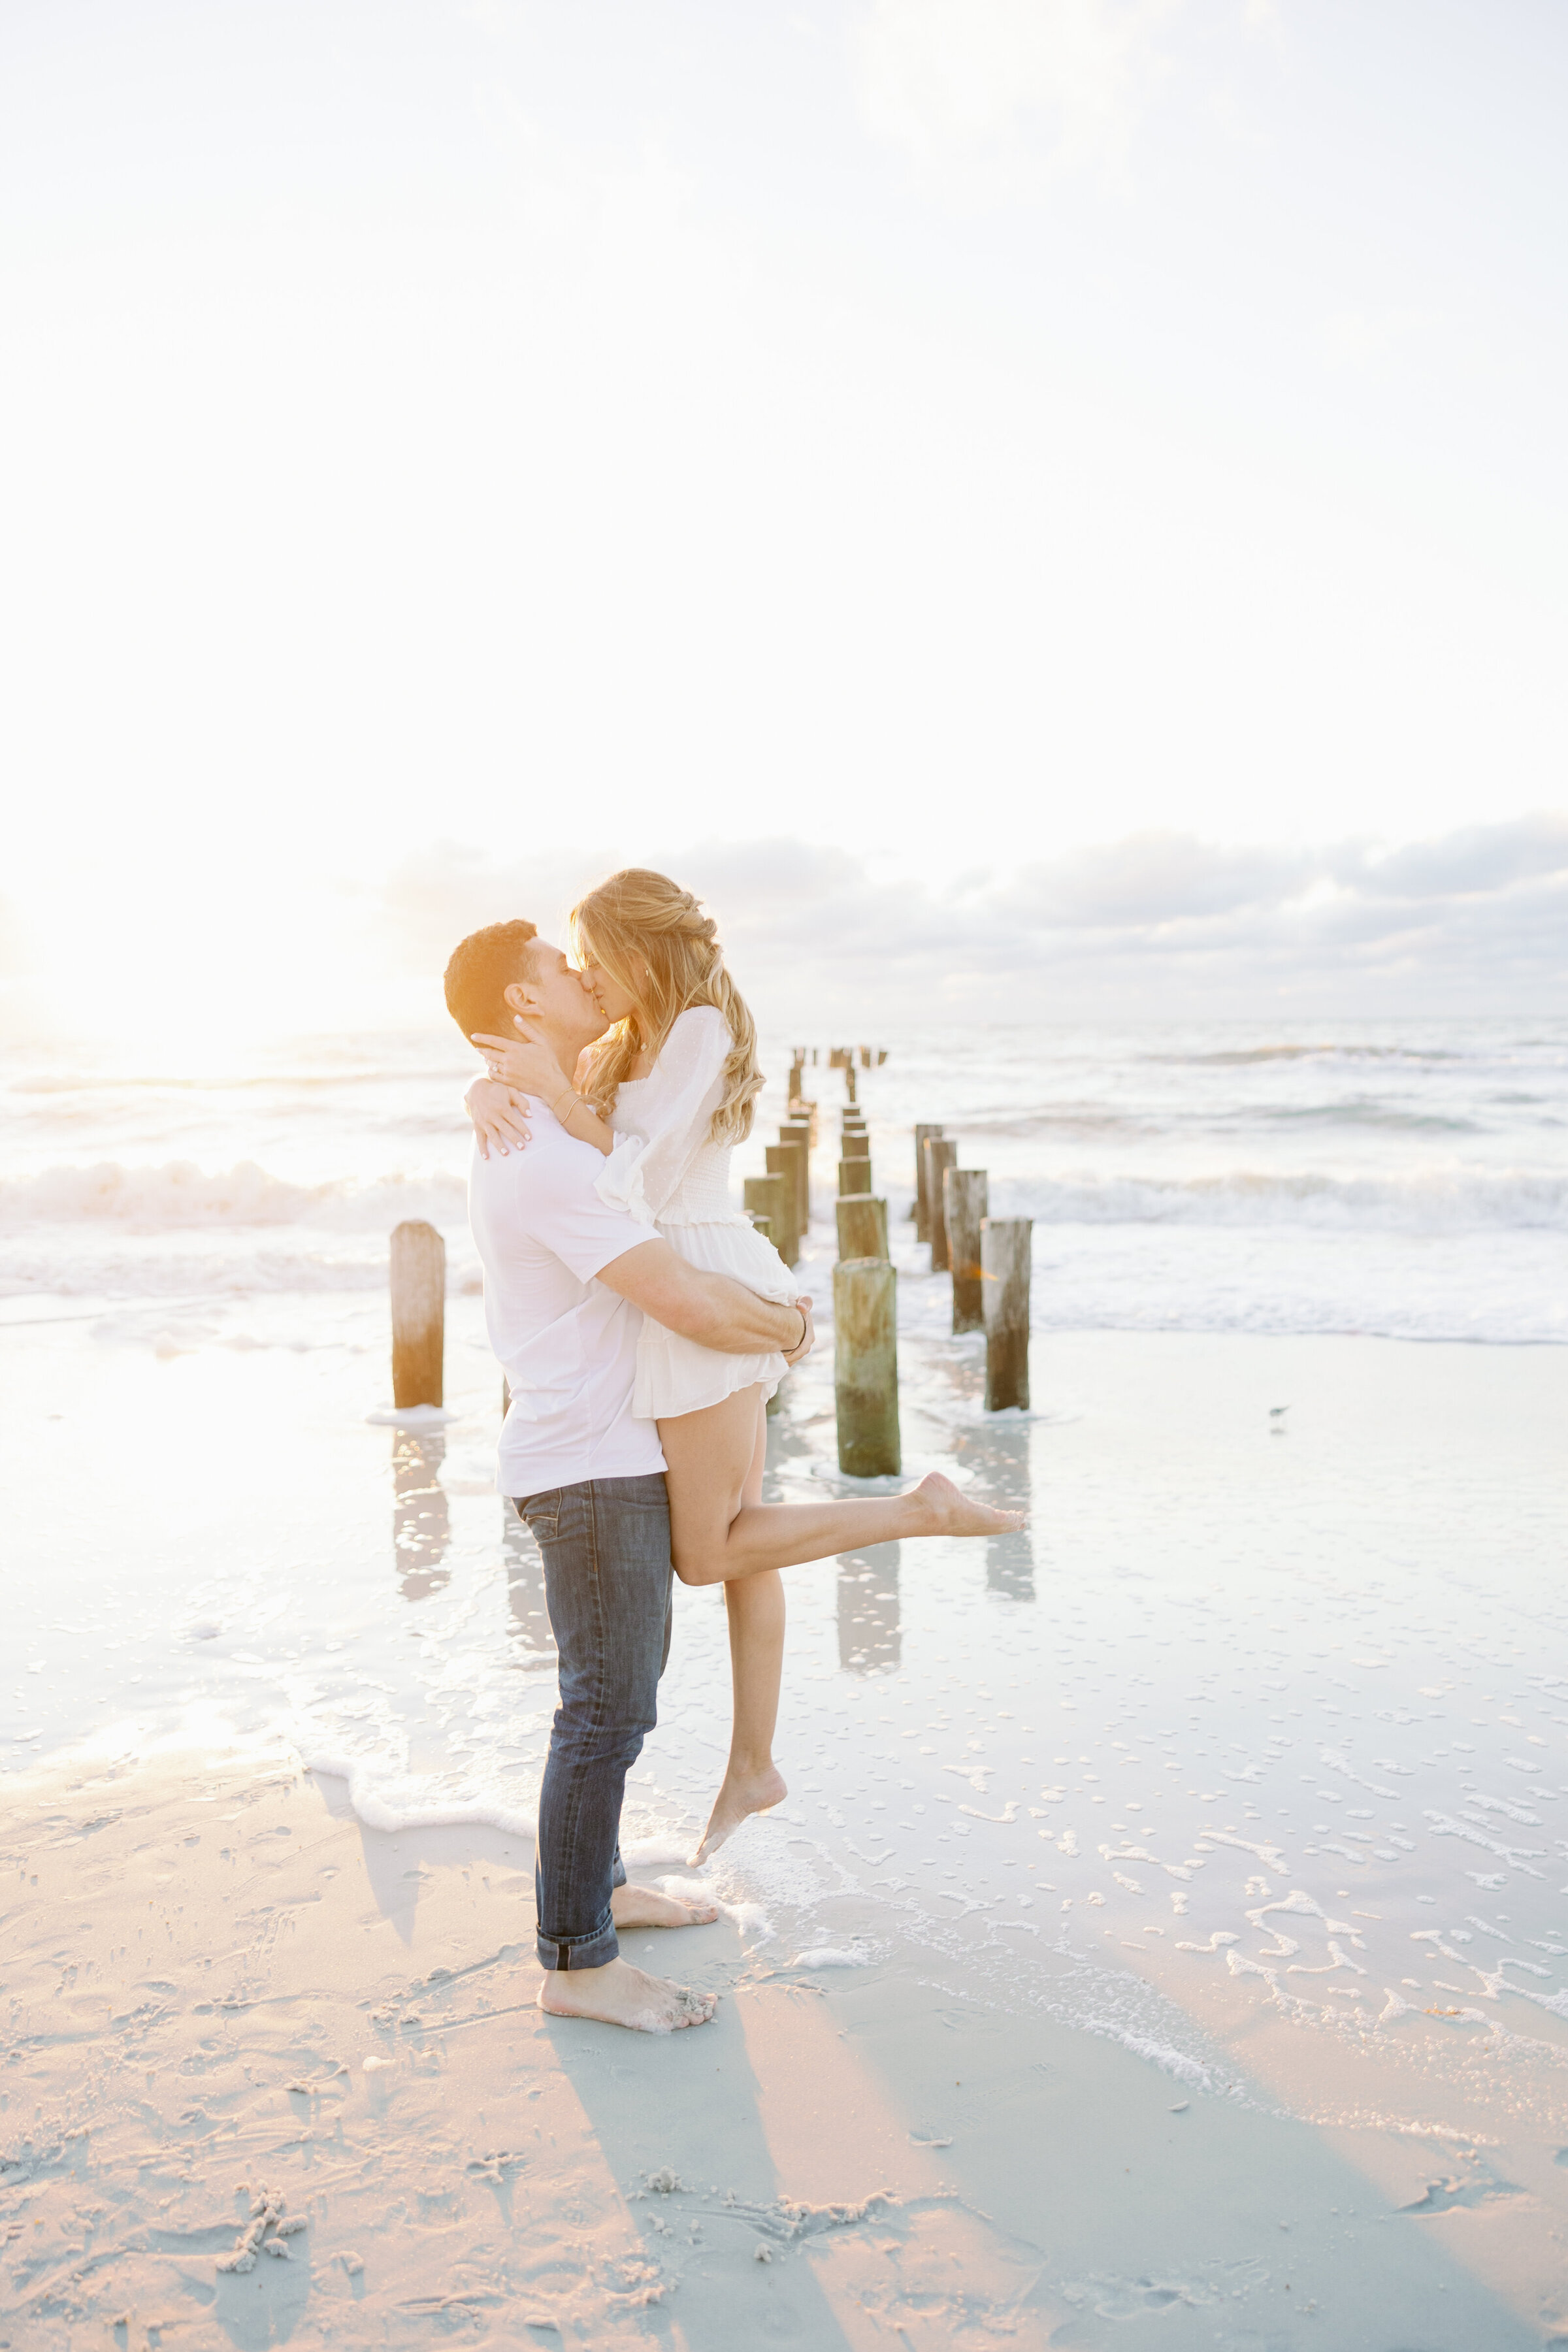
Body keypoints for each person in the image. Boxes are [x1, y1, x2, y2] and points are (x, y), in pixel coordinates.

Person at [459, 873, 1024, 1872]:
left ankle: (917, 1511)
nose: (584, 974)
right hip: (669, 1277)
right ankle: (753, 1764)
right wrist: (495, 1088)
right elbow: (545, 1102)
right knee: (741, 1540)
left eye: (594, 954)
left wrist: (551, 1094)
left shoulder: (700, 1030)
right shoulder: (625, 1038)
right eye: (569, 962)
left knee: (711, 1550)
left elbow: (637, 1172)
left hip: (696, 1281)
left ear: (638, 951)